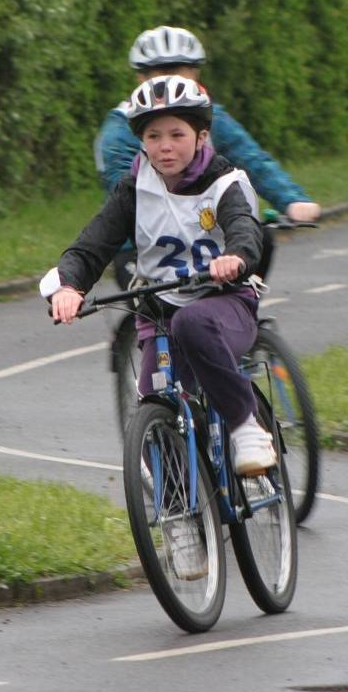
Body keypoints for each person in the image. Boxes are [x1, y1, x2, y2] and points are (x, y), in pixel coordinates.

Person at [41, 75, 276, 575]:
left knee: (194, 323)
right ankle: (180, 523)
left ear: (200, 137)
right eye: (153, 137)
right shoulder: (136, 186)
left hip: (225, 302)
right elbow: (93, 243)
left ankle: (245, 428)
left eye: (176, 134)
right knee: (154, 405)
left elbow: (246, 232)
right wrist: (68, 285)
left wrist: (235, 256)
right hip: (161, 309)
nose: (164, 147)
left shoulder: (227, 183)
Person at [95, 25, 321, 289]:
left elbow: (252, 160)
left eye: (179, 70)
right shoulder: (122, 128)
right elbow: (125, 191)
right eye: (159, 73)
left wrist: (292, 200)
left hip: (208, 237)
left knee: (259, 239)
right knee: (159, 315)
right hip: (145, 246)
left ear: (194, 73)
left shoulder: (213, 118)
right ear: (141, 79)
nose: (169, 78)